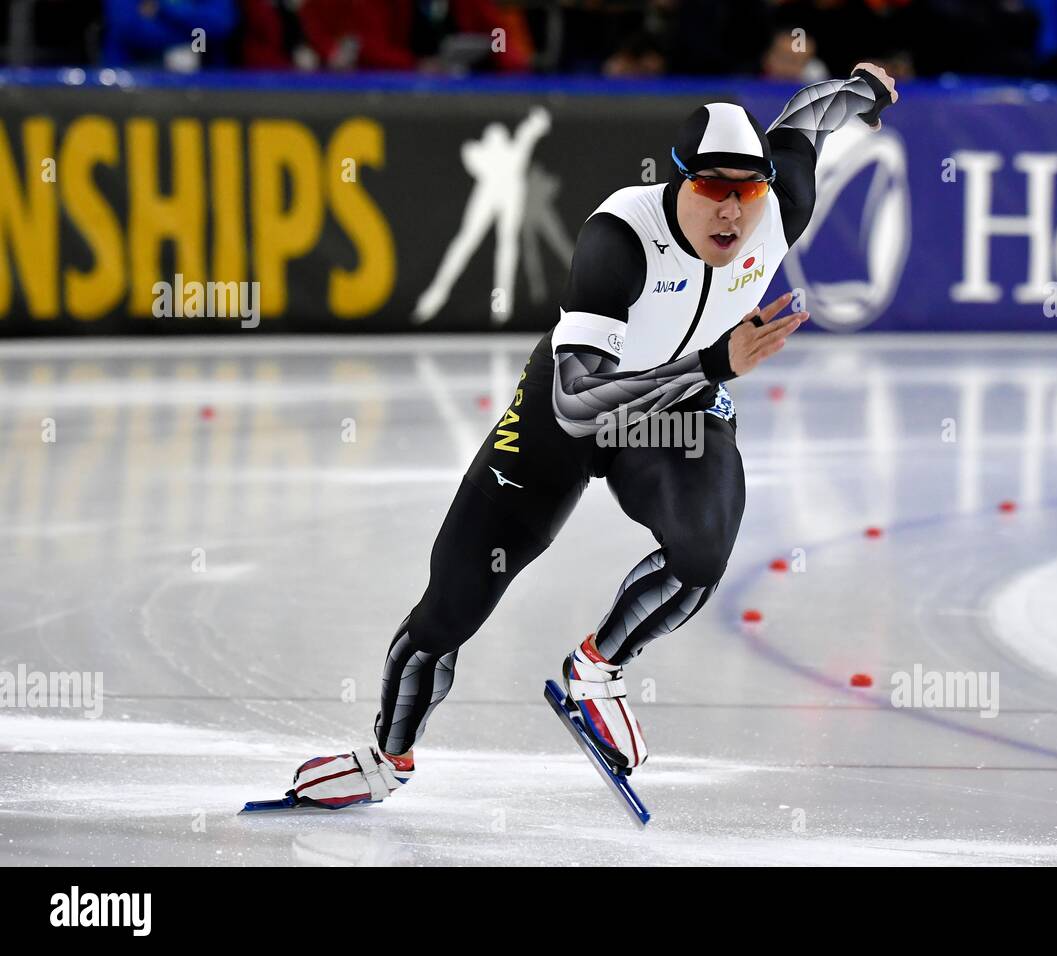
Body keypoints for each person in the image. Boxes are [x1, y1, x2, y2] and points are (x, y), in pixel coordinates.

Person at [289, 63, 899, 809]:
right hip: (566, 413)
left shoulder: (781, 207)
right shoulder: (620, 235)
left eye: (747, 191)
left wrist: (864, 90)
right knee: (451, 606)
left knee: (703, 550)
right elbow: (578, 403)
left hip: (673, 411)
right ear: (678, 183)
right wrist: (712, 362)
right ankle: (387, 755)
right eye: (712, 188)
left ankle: (597, 666)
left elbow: (807, 119)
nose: (732, 213)